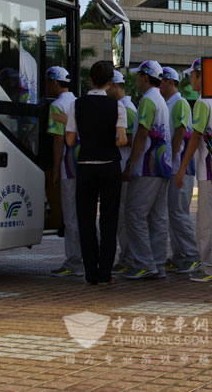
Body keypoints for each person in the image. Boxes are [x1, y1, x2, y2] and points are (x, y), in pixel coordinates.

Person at [65, 61, 127, 284]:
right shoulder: (117, 106)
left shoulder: (76, 105)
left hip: (85, 165)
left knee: (86, 219)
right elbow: (122, 139)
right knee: (109, 220)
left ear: (89, 80)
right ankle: (105, 274)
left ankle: (90, 272)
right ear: (110, 82)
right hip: (109, 165)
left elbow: (70, 140)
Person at [175, 58, 212, 283]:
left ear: (200, 76)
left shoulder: (203, 102)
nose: (190, 80)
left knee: (209, 221)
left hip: (209, 168)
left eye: (192, 75)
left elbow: (196, 136)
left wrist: (181, 168)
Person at [122, 60, 172, 279]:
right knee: (157, 217)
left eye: (138, 76)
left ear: (144, 77)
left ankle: (144, 263)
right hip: (162, 165)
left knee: (134, 213)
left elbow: (142, 134)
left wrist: (130, 164)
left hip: (147, 166)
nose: (136, 80)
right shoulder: (160, 99)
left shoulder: (147, 100)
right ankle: (158, 263)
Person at [160, 67, 201, 274]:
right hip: (175, 166)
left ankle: (191, 255)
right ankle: (179, 255)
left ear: (169, 82)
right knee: (173, 212)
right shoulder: (168, 103)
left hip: (181, 167)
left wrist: (173, 160)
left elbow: (180, 131)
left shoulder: (180, 103)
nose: (158, 85)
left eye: (160, 81)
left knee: (178, 212)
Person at [47, 66, 83, 278]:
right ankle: (89, 256)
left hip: (68, 167)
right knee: (83, 213)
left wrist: (54, 170)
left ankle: (74, 262)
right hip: (83, 164)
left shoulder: (56, 106)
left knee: (70, 216)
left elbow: (58, 139)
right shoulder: (78, 102)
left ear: (53, 82)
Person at [107, 71, 137, 274]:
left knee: (124, 216)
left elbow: (133, 139)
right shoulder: (122, 106)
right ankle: (127, 257)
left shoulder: (126, 108)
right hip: (122, 165)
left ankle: (128, 258)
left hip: (124, 166)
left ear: (114, 86)